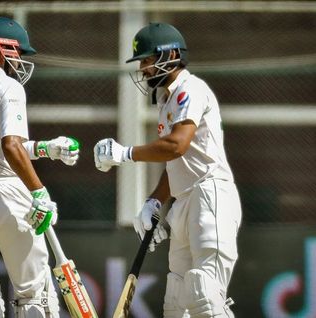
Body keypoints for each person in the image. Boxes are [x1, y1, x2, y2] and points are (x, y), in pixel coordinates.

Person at [94, 22, 241, 317]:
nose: (144, 69)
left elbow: (176, 146)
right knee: (176, 303)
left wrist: (125, 154)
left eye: (148, 60)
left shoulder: (191, 89)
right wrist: (155, 202)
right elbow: (176, 162)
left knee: (205, 298)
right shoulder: (166, 99)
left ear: (170, 55)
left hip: (209, 195)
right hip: (185, 200)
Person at [0, 17, 79, 318]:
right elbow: (9, 146)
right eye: (18, 52)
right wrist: (39, 192)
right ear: (3, 48)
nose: (20, 60)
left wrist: (48, 148)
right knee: (34, 296)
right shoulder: (7, 86)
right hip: (7, 196)